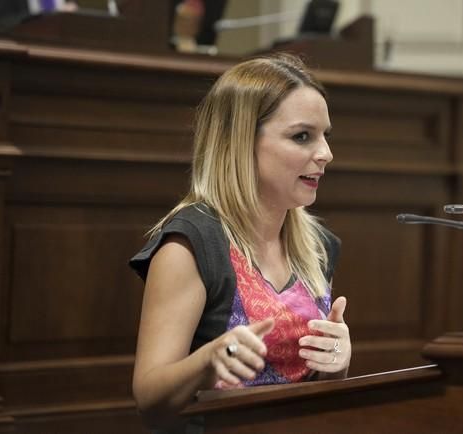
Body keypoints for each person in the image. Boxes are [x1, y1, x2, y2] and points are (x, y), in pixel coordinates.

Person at [128, 53, 351, 431]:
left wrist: (337, 363)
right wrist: (207, 361)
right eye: (302, 136)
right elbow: (149, 399)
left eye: (325, 135)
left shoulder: (318, 246)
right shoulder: (191, 244)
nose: (325, 154)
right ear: (242, 141)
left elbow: (317, 395)